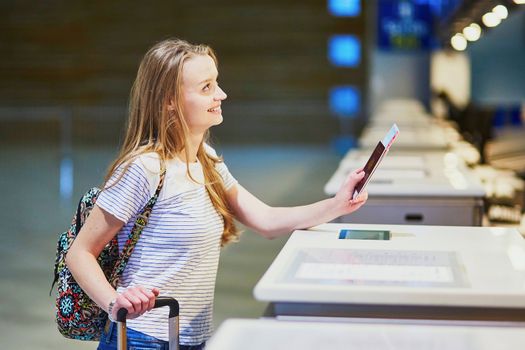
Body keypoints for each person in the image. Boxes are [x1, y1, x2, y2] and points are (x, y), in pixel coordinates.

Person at [65, 38, 367, 350]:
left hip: (191, 338)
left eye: (216, 84)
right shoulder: (144, 168)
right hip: (144, 338)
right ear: (169, 100)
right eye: (206, 87)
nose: (221, 95)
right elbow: (80, 253)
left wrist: (337, 204)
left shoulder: (204, 159)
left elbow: (265, 219)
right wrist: (114, 301)